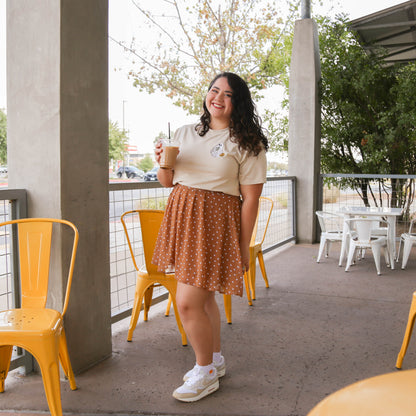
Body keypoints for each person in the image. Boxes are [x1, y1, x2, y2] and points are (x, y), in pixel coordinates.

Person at [152, 72, 268, 402]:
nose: (218, 97)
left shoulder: (248, 144)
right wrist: (161, 160)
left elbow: (251, 200)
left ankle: (203, 372)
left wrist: (243, 248)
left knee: (187, 304)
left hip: (216, 225)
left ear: (238, 102)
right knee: (204, 301)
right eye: (214, 90)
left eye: (228, 94)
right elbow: (166, 181)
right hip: (183, 217)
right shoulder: (185, 132)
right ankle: (214, 361)